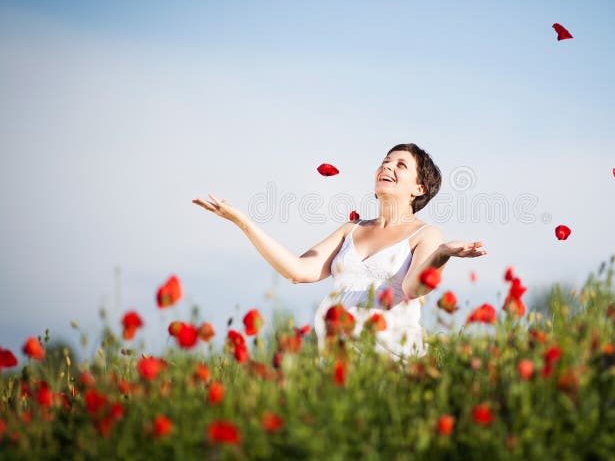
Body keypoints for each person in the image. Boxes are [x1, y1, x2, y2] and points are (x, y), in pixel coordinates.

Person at [192, 143, 486, 359]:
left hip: (391, 364)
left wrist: (442, 254)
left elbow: (412, 288)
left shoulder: (426, 234)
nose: (387, 167)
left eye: (400, 165)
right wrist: (243, 223)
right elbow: (297, 270)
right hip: (335, 363)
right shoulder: (351, 229)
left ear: (419, 188)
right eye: (385, 161)